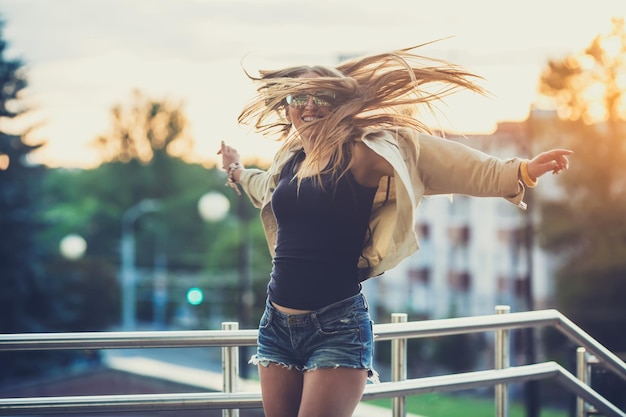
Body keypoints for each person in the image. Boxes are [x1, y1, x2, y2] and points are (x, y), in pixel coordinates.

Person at [217, 45, 572, 417]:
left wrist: (519, 172)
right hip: (275, 325)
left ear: (337, 104)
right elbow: (266, 191)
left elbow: (444, 162)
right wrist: (237, 170)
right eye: (298, 97)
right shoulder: (290, 161)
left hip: (336, 328)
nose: (308, 105)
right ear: (286, 106)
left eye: (320, 96)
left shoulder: (361, 154)